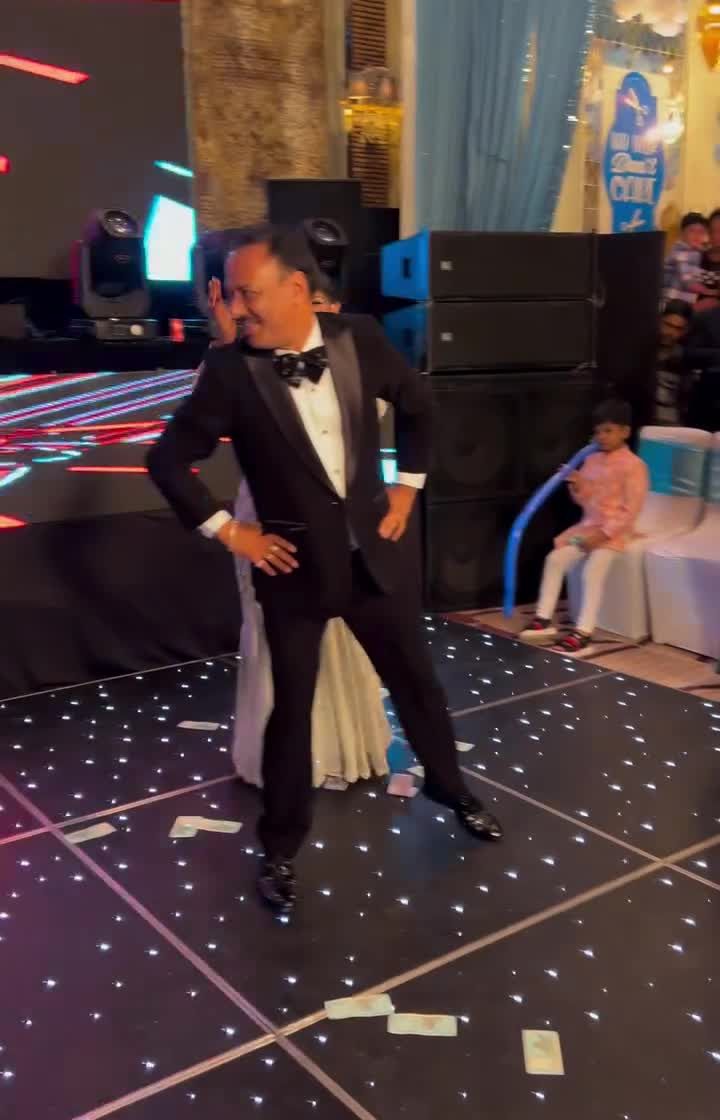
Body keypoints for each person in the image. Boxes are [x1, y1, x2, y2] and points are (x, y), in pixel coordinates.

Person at [147, 224, 502, 915]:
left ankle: (450, 786)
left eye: (248, 294)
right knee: (292, 715)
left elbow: (419, 404)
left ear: (296, 288)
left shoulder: (360, 338)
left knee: (418, 684)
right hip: (293, 573)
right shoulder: (230, 371)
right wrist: (232, 532)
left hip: (376, 560)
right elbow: (166, 461)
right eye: (232, 295)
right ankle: (279, 848)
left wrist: (408, 488)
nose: (237, 309)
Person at [205, 272, 392, 789]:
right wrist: (227, 344)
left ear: (336, 308)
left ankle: (348, 748)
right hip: (267, 518)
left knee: (343, 631)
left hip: (341, 521)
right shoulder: (254, 364)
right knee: (276, 631)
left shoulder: (360, 364)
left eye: (320, 303)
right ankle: (288, 760)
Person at [520, 399, 649, 654]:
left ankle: (584, 630)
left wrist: (603, 534)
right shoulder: (592, 460)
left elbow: (630, 511)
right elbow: (587, 501)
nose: (602, 437)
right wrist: (579, 485)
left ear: (625, 431)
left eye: (608, 431)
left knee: (593, 571)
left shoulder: (635, 466)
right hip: (587, 529)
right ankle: (543, 619)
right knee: (555, 559)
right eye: (598, 431)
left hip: (613, 534)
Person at [653, 299, 693, 425]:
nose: (671, 333)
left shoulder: (683, 359)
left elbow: (683, 400)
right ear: (659, 320)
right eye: (667, 325)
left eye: (678, 328)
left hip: (667, 423)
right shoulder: (643, 350)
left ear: (685, 331)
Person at [663, 212, 713, 307]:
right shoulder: (682, 252)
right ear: (682, 233)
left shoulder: (697, 252)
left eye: (701, 232)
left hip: (683, 301)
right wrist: (710, 291)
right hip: (671, 301)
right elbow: (688, 282)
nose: (697, 235)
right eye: (692, 231)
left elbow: (701, 274)